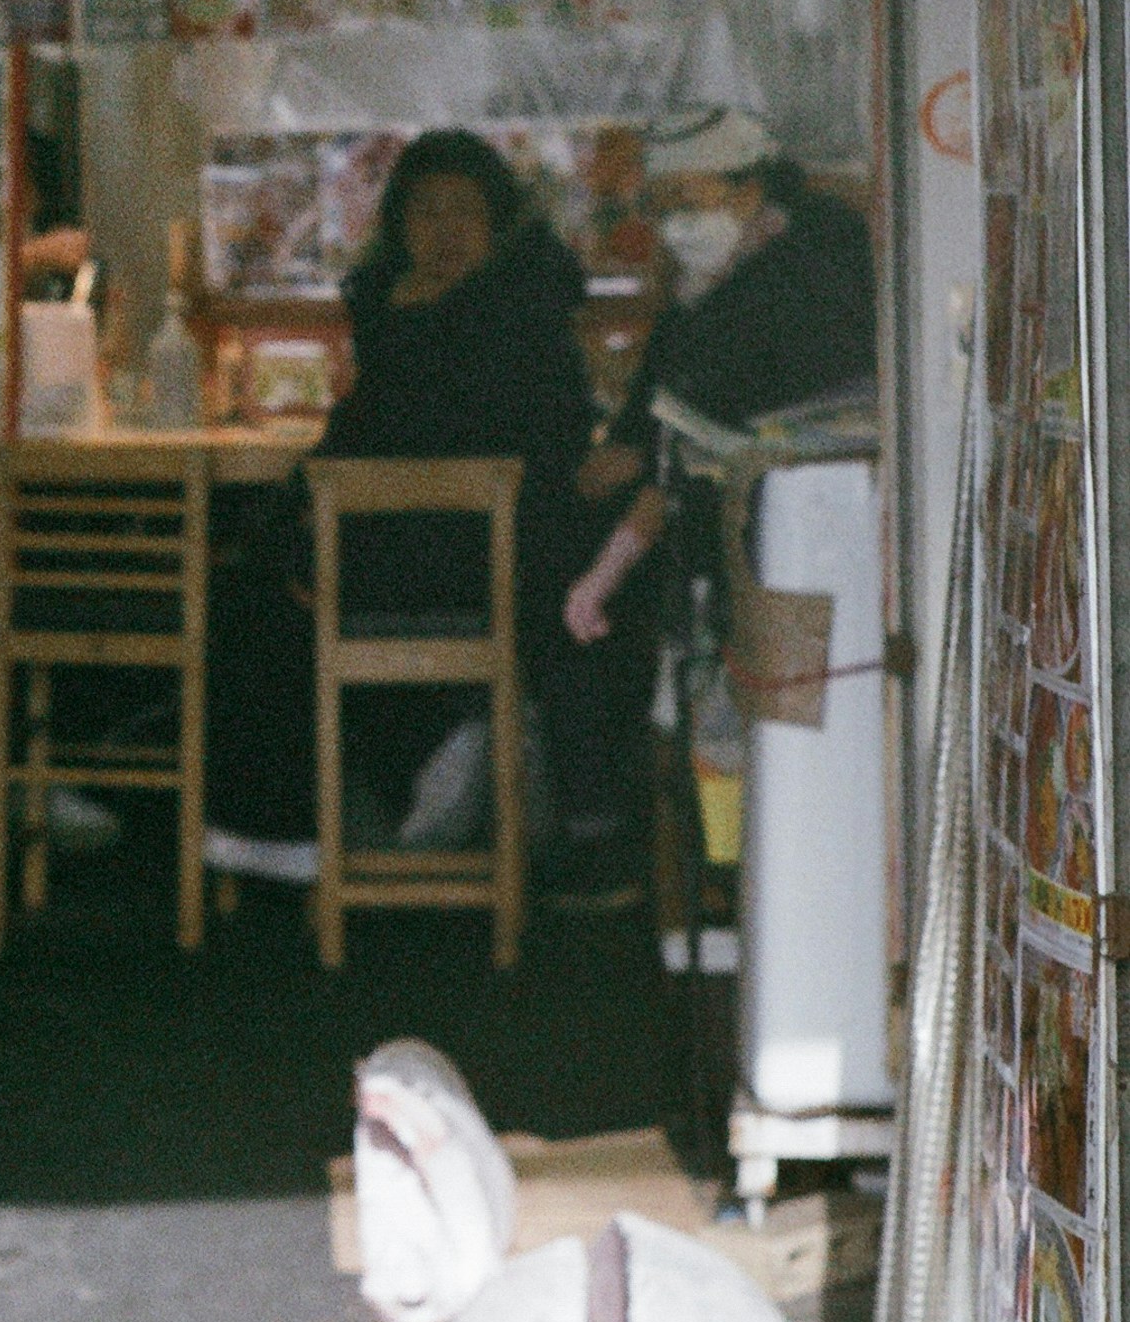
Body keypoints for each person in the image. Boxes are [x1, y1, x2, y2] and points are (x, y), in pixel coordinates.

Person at [205, 129, 625, 892]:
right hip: (415, 555)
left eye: (464, 212)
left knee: (257, 599)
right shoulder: (397, 309)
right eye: (425, 212)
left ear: (498, 225)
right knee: (251, 578)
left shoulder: (512, 311)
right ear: (397, 223)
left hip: (475, 562)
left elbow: (495, 443)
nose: (445, 231)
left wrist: (310, 536)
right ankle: (397, 769)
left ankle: (290, 822)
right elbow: (359, 436)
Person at [564, 106, 877, 644]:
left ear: (748, 186)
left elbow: (699, 434)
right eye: (663, 211)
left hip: (823, 538)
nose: (676, 227)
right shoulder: (707, 288)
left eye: (688, 201)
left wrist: (603, 572)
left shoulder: (807, 263)